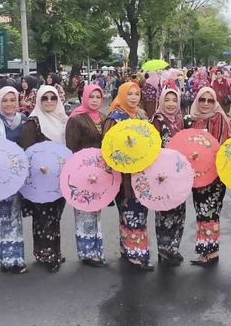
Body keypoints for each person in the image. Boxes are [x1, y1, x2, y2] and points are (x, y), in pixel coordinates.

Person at [104, 81, 154, 271]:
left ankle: (128, 247)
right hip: (124, 175)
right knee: (130, 212)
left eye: (136, 94)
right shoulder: (115, 118)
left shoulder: (142, 114)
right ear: (122, 95)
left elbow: (151, 139)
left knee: (141, 212)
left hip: (144, 172)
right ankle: (137, 254)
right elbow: (107, 147)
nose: (133, 97)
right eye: (129, 94)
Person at [20, 85, 68, 273]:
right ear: (38, 101)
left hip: (59, 176)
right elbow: (28, 152)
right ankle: (46, 254)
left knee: (55, 215)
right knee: (43, 216)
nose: (49, 101)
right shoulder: (33, 123)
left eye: (53, 98)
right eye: (45, 98)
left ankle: (53, 251)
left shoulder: (61, 120)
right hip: (40, 178)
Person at [0, 86, 29, 274]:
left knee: (15, 216)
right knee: (2, 217)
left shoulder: (24, 120)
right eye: (5, 100)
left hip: (18, 176)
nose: (9, 104)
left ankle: (18, 257)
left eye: (12, 100)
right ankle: (6, 259)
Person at [185, 86, 231, 266]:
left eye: (210, 100)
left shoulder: (218, 118)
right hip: (197, 175)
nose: (205, 104)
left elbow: (219, 147)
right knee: (201, 210)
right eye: (202, 100)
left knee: (209, 211)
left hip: (214, 175)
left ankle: (209, 252)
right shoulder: (193, 120)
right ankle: (207, 250)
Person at [66, 84, 108, 268]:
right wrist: (79, 171)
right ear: (85, 97)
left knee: (96, 211)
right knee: (84, 211)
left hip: (100, 173)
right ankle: (87, 252)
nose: (95, 100)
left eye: (98, 97)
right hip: (82, 173)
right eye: (92, 97)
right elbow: (71, 148)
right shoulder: (76, 119)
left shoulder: (104, 118)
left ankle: (97, 250)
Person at [149, 87, 187, 267]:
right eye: (167, 100)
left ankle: (173, 247)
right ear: (161, 101)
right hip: (162, 173)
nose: (171, 104)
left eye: (174, 100)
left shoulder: (180, 119)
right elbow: (150, 147)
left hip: (178, 172)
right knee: (164, 211)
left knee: (179, 210)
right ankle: (164, 250)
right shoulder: (156, 120)